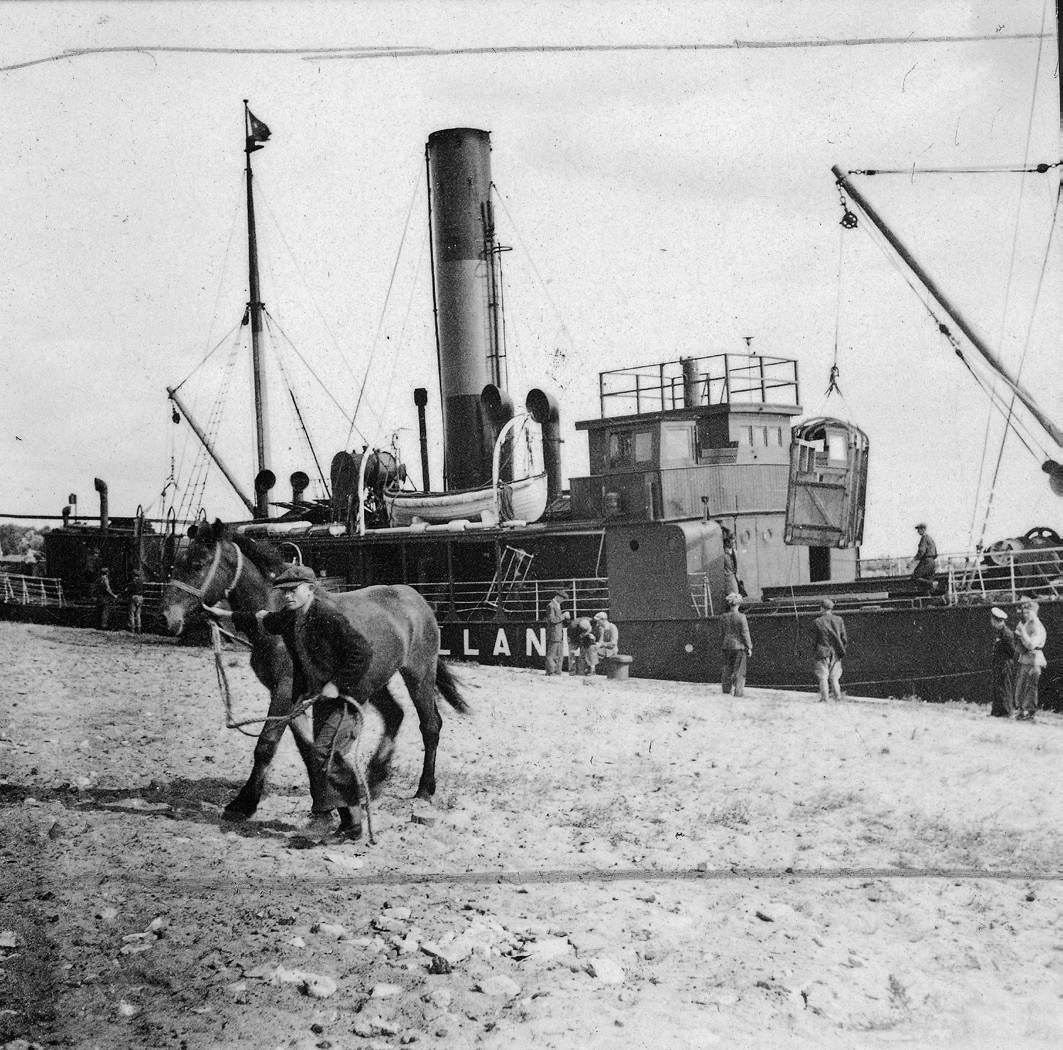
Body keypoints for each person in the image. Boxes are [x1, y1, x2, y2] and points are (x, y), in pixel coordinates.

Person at [212, 564, 374, 844]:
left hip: (346, 696)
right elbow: (263, 619)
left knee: (325, 753)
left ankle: (343, 822)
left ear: (310, 590)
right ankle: (348, 823)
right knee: (324, 755)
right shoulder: (291, 617)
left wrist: (337, 684)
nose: (287, 596)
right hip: (319, 695)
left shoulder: (327, 616)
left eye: (293, 590)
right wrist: (222, 615)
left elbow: (362, 651)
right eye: (283, 591)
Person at [1014, 597, 1047, 722]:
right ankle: (1021, 711)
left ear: (1035, 612)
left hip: (1034, 660)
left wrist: (1022, 632)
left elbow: (1032, 645)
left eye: (1028, 612)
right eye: (1024, 613)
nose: (1026, 615)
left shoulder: (1037, 627)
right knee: (1021, 687)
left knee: (1030, 688)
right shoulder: (1028, 624)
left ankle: (1029, 712)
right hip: (1025, 659)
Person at [812, 598, 847, 702]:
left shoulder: (817, 622)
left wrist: (815, 651)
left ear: (822, 608)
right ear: (831, 608)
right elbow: (844, 637)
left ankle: (825, 699)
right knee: (834, 677)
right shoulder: (839, 620)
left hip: (822, 652)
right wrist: (841, 649)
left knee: (823, 677)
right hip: (836, 652)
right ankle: (838, 697)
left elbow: (814, 640)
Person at [719, 592, 753, 697]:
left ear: (729, 604)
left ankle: (726, 690)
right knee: (739, 670)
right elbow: (745, 633)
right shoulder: (741, 617)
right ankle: (738, 692)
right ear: (739, 604)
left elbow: (721, 633)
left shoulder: (723, 617)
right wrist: (749, 647)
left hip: (726, 645)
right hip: (739, 647)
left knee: (727, 668)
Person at [988, 607, 1018, 718]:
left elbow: (1012, 651)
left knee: (1005, 686)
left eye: (993, 620)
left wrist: (1003, 660)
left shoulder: (1007, 633)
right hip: (999, 663)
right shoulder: (1000, 632)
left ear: (997, 620)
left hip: (1005, 664)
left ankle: (1006, 712)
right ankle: (996, 711)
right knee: (997, 686)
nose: (992, 622)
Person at [544, 588, 568, 675]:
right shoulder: (551, 606)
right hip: (554, 633)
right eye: (562, 599)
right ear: (558, 597)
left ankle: (557, 671)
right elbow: (552, 620)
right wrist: (563, 616)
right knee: (552, 654)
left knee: (559, 654)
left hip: (558, 633)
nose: (562, 601)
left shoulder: (556, 605)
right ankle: (551, 671)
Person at [912, 523, 938, 588]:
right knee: (927, 579)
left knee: (915, 577)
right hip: (932, 562)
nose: (918, 531)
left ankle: (932, 584)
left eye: (918, 529)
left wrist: (913, 561)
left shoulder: (924, 538)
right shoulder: (930, 539)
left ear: (923, 529)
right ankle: (929, 594)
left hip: (926, 561)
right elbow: (936, 553)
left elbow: (921, 552)